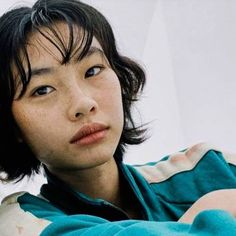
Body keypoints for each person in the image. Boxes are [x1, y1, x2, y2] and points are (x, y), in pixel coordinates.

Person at [0, 0, 236, 235]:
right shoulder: (24, 224)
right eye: (42, 90)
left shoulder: (211, 169)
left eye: (92, 71)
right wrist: (214, 210)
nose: (83, 103)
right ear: (12, 124)